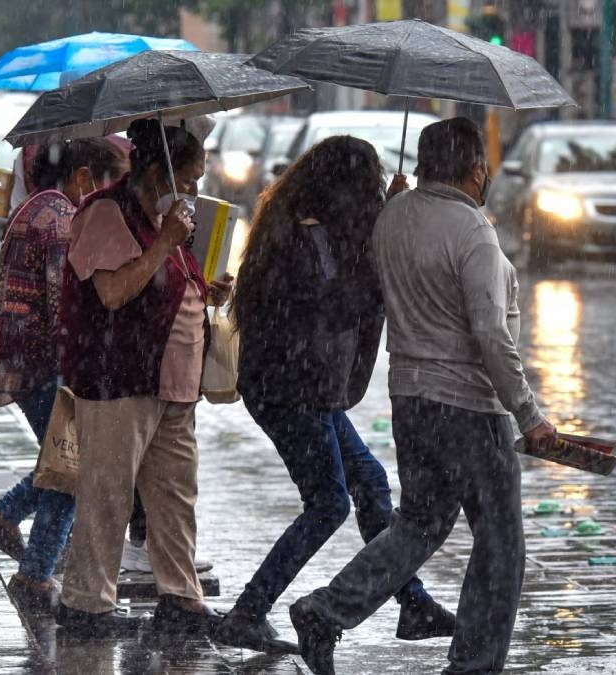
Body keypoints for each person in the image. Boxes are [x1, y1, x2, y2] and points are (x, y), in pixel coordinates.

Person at [288, 118, 557, 675]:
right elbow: (490, 332)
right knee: (501, 543)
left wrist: (394, 207)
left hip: (411, 401)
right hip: (469, 406)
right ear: (476, 170)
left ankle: (327, 610)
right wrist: (528, 413)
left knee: (418, 524)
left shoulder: (392, 218)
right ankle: (474, 663)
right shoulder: (473, 230)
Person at [215, 136, 455, 654]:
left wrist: (388, 218)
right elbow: (335, 305)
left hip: (307, 388)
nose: (370, 191)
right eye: (366, 182)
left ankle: (412, 604)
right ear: (343, 186)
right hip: (288, 390)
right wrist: (379, 256)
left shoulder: (318, 228)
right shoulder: (301, 237)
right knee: (327, 504)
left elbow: (347, 289)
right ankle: (249, 612)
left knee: (369, 482)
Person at [55, 118, 231, 638]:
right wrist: (167, 242)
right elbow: (113, 292)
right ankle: (86, 603)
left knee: (175, 497)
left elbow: (168, 281)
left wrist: (205, 289)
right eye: (192, 178)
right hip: (119, 378)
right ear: (161, 171)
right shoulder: (108, 213)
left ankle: (180, 597)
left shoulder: (164, 218)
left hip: (173, 385)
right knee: (107, 494)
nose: (196, 188)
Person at [0, 137, 128, 612]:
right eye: (106, 185)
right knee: (72, 467)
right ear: (82, 177)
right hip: (44, 363)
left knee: (63, 459)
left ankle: (3, 517)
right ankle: (36, 573)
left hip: (24, 357)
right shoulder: (61, 220)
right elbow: (66, 303)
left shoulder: (36, 206)